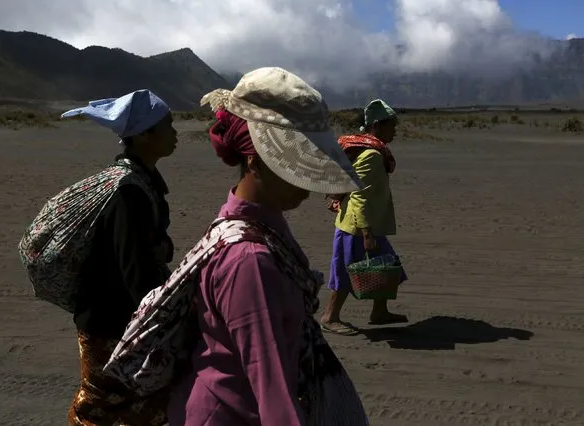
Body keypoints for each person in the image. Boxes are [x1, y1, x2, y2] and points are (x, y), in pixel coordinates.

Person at [104, 67, 369, 425]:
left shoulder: (252, 227)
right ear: (255, 162)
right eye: (295, 168)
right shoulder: (250, 259)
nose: (307, 184)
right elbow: (271, 389)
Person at [60, 89, 178, 425]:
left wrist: (163, 249)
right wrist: (161, 317)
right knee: (102, 408)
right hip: (111, 320)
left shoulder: (142, 182)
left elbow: (151, 245)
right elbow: (135, 270)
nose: (175, 133)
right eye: (167, 125)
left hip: (115, 316)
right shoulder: (128, 190)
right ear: (142, 135)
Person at [321, 99, 408, 336]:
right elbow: (360, 195)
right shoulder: (371, 154)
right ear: (377, 126)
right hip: (357, 227)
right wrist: (367, 233)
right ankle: (330, 317)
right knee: (345, 272)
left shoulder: (367, 149)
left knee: (385, 264)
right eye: (391, 126)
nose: (395, 131)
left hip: (368, 223)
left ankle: (379, 312)